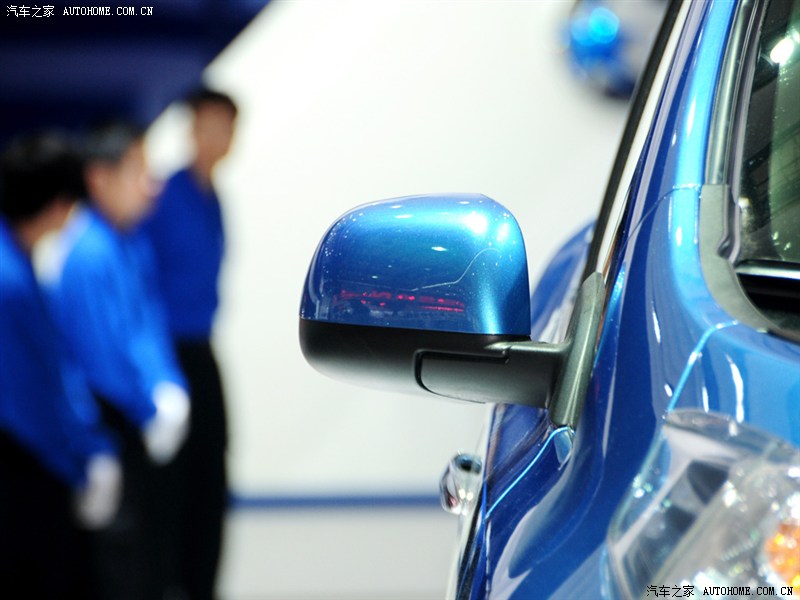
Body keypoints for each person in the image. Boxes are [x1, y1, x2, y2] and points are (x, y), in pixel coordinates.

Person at [35, 121, 191, 599]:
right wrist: (147, 408)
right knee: (119, 567)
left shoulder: (131, 242)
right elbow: (98, 359)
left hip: (137, 419)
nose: (151, 184)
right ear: (100, 178)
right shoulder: (87, 253)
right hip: (112, 422)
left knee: (151, 558)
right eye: (137, 170)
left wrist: (167, 385)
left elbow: (147, 327)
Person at [0, 132, 122, 599]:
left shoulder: (19, 263)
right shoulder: (11, 283)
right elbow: (28, 400)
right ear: (59, 205)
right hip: (24, 468)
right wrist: (80, 461)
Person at [139, 86, 237, 600]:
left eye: (226, 127)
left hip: (200, 349)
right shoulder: (164, 197)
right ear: (191, 129)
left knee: (211, 478)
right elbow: (141, 288)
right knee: (173, 488)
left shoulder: (212, 197)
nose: (217, 137)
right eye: (208, 125)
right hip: (167, 355)